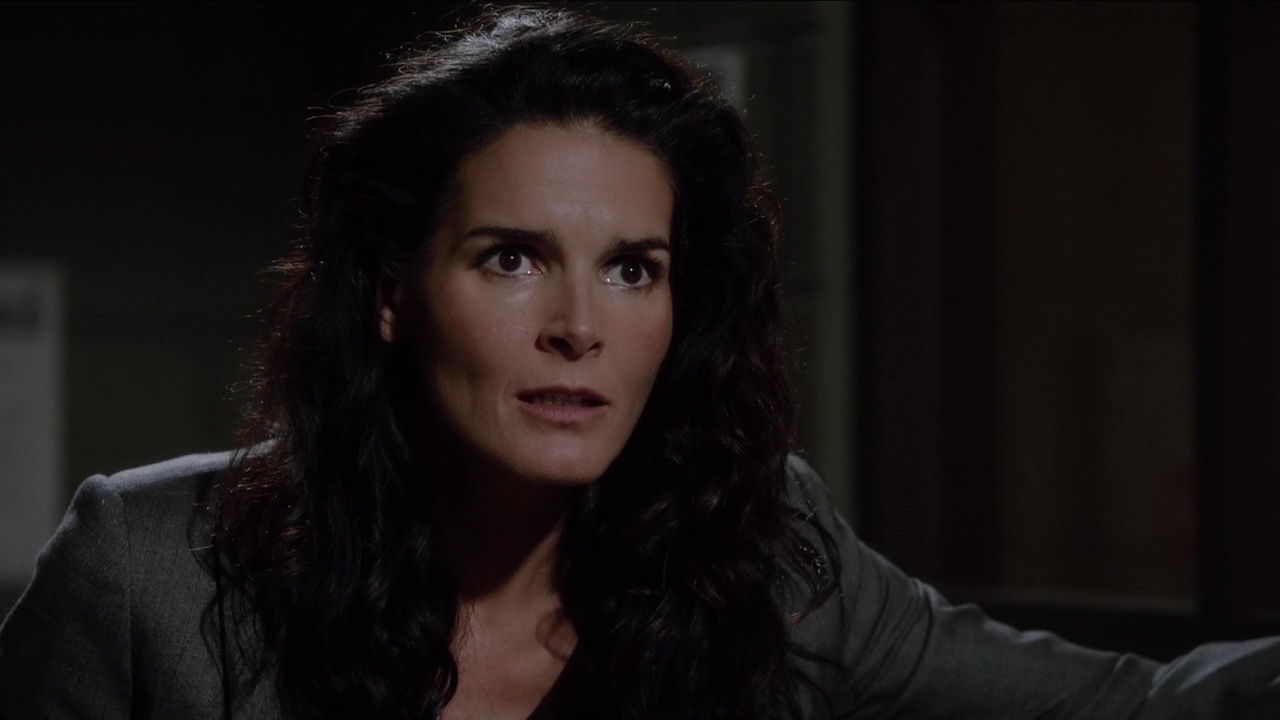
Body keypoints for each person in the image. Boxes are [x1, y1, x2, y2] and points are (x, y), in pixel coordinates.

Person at [1, 6, 1278, 719]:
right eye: (511, 257)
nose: (580, 326)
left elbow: (1137, 707)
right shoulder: (145, 571)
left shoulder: (761, 549)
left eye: (632, 268)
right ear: (391, 297)